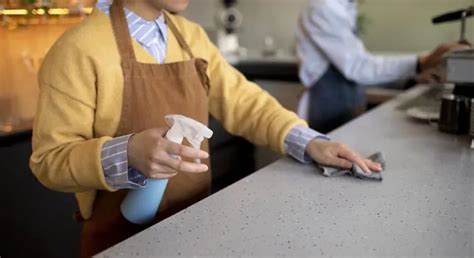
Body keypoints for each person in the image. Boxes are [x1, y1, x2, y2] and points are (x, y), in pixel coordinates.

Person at [29, 0, 382, 256]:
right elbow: (49, 161)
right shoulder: (77, 49)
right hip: (121, 241)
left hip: (193, 230)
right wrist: (127, 152)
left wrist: (307, 141)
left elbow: (243, 101)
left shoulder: (190, 36)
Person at [296, 0, 470, 133]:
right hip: (326, 105)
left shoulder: (344, 6)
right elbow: (358, 68)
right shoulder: (323, 7)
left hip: (345, 101)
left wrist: (415, 75)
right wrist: (421, 61)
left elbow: (360, 65)